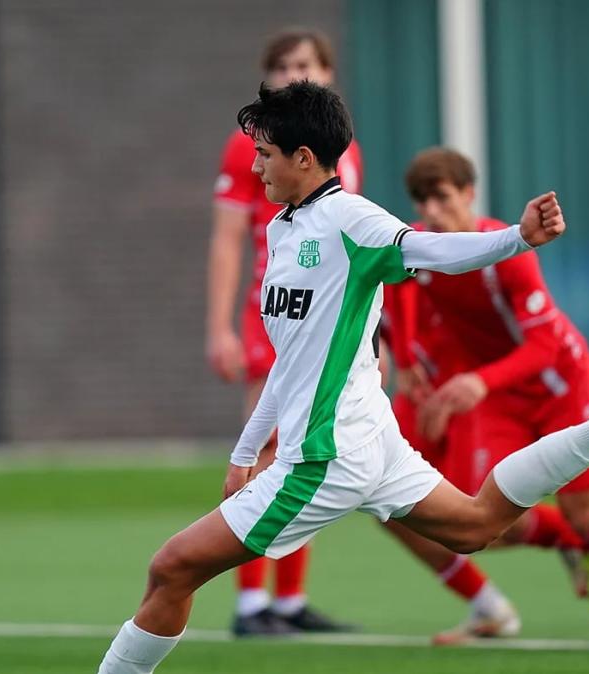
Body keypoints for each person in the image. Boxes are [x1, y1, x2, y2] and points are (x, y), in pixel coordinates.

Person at [96, 81, 589, 674]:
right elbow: (292, 358)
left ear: (304, 158)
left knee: (172, 568)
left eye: (264, 154)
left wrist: (517, 238)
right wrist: (245, 452)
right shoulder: (284, 228)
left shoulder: (351, 219)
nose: (255, 167)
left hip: (325, 458)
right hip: (370, 441)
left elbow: (433, 249)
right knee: (475, 525)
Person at [379, 148, 589, 647]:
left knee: (584, 513)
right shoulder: (423, 246)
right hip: (499, 392)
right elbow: (397, 282)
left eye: (442, 198)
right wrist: (405, 358)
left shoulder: (504, 254)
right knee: (475, 517)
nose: (432, 212)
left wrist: (478, 383)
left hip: (558, 383)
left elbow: (545, 345)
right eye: (422, 201)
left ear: (469, 193)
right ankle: (572, 545)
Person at [205, 28, 361, 636]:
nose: (295, 75)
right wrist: (219, 327)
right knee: (266, 447)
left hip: (328, 321)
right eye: (283, 66)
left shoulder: (342, 148)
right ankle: (250, 602)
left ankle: (290, 600)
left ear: (328, 72)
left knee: (310, 448)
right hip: (270, 314)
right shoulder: (249, 146)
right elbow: (226, 240)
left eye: (307, 64)